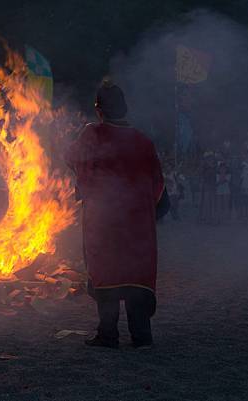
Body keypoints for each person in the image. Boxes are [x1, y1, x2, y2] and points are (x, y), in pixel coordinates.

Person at [65, 79, 164, 349]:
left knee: (107, 272)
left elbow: (71, 158)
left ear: (100, 110)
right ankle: (141, 335)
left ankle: (108, 334)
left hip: (104, 220)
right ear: (125, 108)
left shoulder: (93, 135)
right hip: (139, 224)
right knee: (136, 273)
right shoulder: (144, 141)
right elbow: (157, 182)